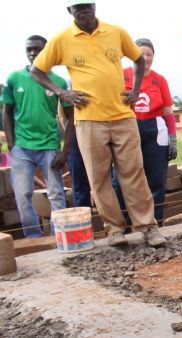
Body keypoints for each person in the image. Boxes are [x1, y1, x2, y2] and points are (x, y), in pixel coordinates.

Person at [30, 0, 167, 248]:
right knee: (99, 177)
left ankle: (147, 226)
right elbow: (37, 70)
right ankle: (114, 229)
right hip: (89, 120)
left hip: (122, 116)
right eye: (78, 7)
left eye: (88, 5)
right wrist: (62, 93)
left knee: (133, 173)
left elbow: (137, 59)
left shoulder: (116, 32)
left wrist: (135, 90)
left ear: (95, 6)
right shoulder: (62, 39)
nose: (84, 10)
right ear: (69, 11)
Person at [2, 35, 71, 238]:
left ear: (46, 51)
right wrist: (12, 144)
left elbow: (70, 117)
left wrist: (64, 150)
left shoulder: (58, 82)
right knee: (23, 195)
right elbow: (7, 111)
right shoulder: (14, 78)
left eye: (37, 49)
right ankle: (33, 237)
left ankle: (58, 236)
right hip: (22, 147)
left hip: (49, 145)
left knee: (56, 193)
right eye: (29, 49)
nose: (33, 53)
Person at [113, 38, 178, 226]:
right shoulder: (121, 75)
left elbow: (167, 111)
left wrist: (173, 139)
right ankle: (123, 225)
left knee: (156, 180)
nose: (146, 57)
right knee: (121, 181)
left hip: (155, 131)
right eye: (141, 53)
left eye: (149, 54)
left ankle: (155, 222)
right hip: (127, 129)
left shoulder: (159, 79)